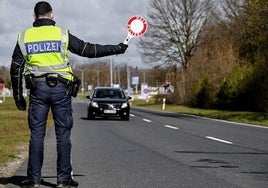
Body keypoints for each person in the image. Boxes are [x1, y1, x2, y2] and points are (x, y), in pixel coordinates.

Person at [10, 1, 128, 188]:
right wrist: (117, 48)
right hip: (61, 90)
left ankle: (33, 180)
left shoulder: (24, 37)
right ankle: (63, 180)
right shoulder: (62, 34)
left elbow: (16, 68)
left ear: (34, 17)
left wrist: (18, 96)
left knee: (37, 135)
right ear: (52, 15)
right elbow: (89, 50)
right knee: (63, 134)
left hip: (37, 90)